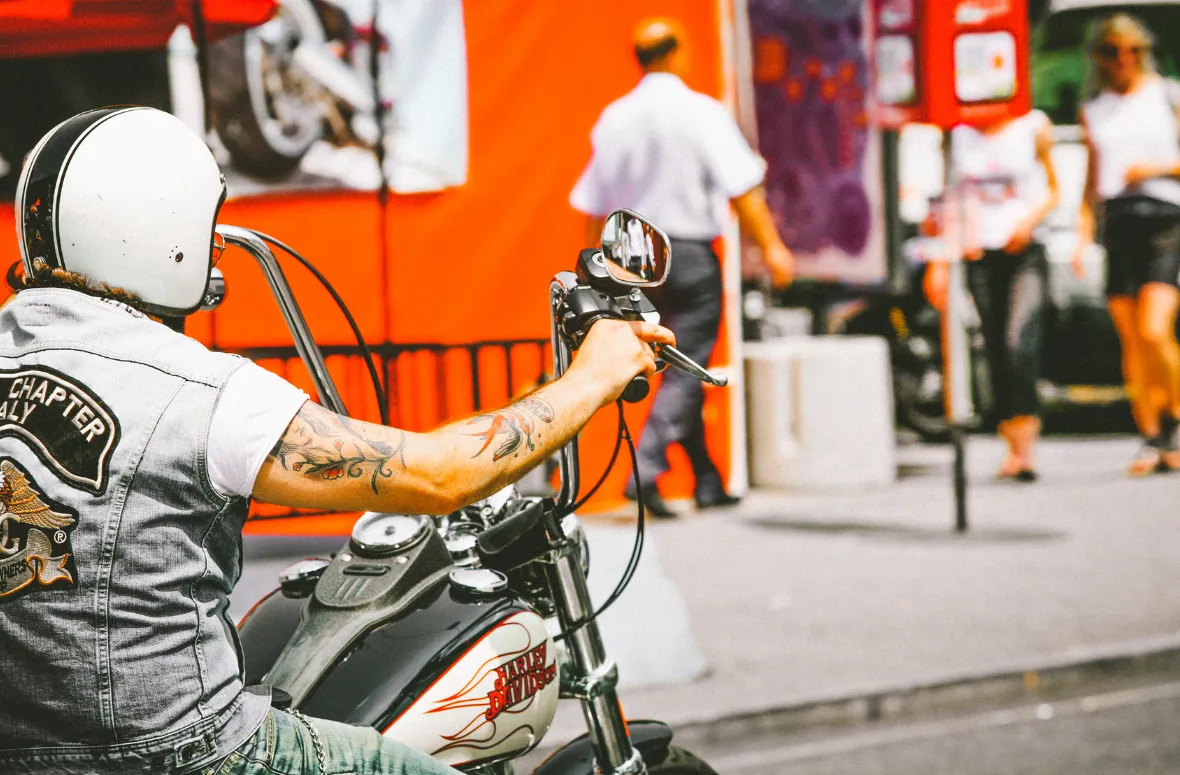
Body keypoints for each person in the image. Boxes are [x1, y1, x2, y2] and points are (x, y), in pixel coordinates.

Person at [0, 107, 673, 775]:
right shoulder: (204, 394)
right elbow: (441, 474)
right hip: (189, 754)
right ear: (167, 228)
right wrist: (594, 374)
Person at [570, 17, 793, 517]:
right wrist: (772, 246)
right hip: (686, 251)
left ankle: (707, 480)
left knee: (670, 358)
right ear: (676, 53)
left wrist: (592, 267)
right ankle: (646, 467)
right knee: (687, 362)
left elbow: (593, 203)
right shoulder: (700, 112)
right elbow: (742, 188)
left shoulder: (615, 117)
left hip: (627, 255)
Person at [924, 109, 1060, 481]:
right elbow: (949, 197)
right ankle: (1012, 450)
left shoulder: (1033, 124)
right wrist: (940, 257)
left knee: (1020, 343)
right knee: (996, 348)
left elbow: (1053, 188)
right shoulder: (956, 129)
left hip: (1024, 251)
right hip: (978, 251)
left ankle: (1026, 449)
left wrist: (1028, 222)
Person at [1078, 13, 1180, 476]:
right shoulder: (1094, 109)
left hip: (1163, 214)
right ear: (1099, 57)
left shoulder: (1167, 94)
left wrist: (1155, 168)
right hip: (1117, 219)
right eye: (1111, 51)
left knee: (1157, 329)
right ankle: (1149, 434)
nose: (1122, 60)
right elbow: (1090, 183)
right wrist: (1083, 237)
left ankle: (1175, 422)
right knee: (1131, 338)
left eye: (1131, 50)